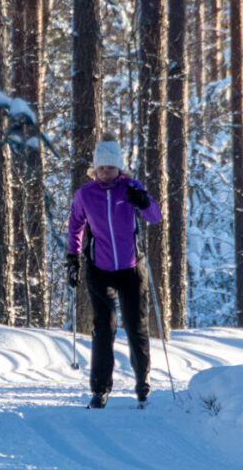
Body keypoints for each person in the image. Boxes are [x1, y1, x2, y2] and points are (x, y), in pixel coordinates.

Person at [66, 134, 162, 408]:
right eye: (101, 168)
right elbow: (75, 226)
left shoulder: (130, 187)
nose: (106, 173)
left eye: (111, 168)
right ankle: (100, 389)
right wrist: (72, 258)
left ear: (119, 168)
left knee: (136, 326)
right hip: (100, 268)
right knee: (104, 328)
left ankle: (143, 383)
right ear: (94, 169)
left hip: (132, 268)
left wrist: (142, 201)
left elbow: (155, 217)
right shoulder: (85, 194)